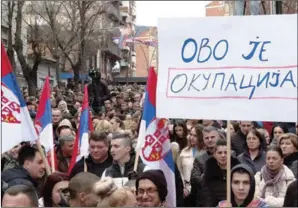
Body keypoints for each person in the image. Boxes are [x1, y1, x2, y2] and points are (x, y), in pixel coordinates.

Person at [201, 139, 240, 207]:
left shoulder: (238, 170)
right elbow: (206, 196)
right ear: (215, 154)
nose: (223, 155)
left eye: (226, 152)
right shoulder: (208, 173)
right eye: (220, 153)